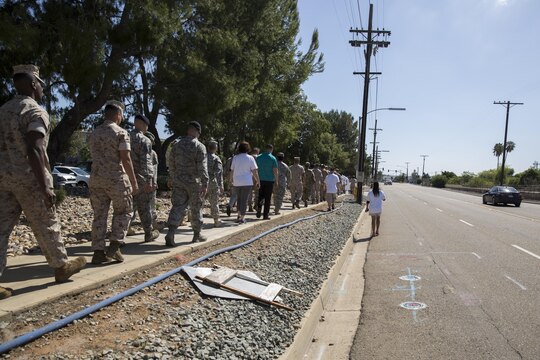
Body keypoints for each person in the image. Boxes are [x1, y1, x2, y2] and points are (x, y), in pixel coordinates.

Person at [0, 65, 86, 297]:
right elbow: (35, 148)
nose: (43, 89)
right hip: (29, 178)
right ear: (32, 84)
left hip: (3, 180)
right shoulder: (34, 111)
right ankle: (60, 267)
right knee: (46, 222)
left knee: (1, 229)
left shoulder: (3, 110)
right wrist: (46, 186)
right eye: (41, 85)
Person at [89, 100, 138, 264]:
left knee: (99, 215)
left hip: (96, 179)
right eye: (122, 115)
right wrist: (133, 181)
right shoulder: (121, 133)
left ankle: (97, 252)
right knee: (124, 211)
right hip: (116, 179)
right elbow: (126, 158)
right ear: (118, 115)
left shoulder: (94, 133)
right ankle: (115, 246)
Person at [165, 121, 208, 246]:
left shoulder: (176, 145)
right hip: (194, 182)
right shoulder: (199, 146)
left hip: (179, 181)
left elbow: (171, 163)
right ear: (197, 131)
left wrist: (173, 177)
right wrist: (205, 183)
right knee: (196, 207)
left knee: (177, 206)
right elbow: (202, 167)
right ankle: (196, 234)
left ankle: (171, 232)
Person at [128, 114, 159, 242]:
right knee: (144, 207)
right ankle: (148, 233)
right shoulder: (144, 140)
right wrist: (149, 181)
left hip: (125, 178)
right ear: (141, 124)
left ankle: (119, 236)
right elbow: (146, 163)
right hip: (140, 179)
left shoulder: (124, 137)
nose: (146, 128)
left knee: (127, 208)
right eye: (146, 125)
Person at [230, 142, 260, 224]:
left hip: (237, 182)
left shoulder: (235, 158)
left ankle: (239, 215)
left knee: (239, 199)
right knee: (244, 200)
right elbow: (254, 171)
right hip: (247, 182)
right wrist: (258, 181)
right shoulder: (250, 158)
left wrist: (230, 180)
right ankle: (242, 218)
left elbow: (232, 170)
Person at [255, 144, 278, 219]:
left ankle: (259, 208)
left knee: (260, 196)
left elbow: (255, 169)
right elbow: (275, 171)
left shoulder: (258, 157)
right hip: (269, 181)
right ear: (271, 149)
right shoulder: (273, 158)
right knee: (268, 198)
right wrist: (276, 181)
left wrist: (256, 180)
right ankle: (265, 215)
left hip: (260, 179)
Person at [206, 140, 224, 228]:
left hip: (202, 181)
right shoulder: (216, 158)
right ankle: (216, 220)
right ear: (216, 148)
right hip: (212, 181)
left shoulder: (202, 157)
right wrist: (221, 185)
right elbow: (218, 173)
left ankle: (192, 217)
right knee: (214, 202)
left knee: (199, 201)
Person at [145, 131, 160, 230]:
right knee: (151, 205)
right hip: (149, 183)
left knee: (134, 205)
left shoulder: (133, 151)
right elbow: (154, 169)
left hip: (137, 182)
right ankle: (152, 226)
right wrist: (154, 182)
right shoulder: (152, 153)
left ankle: (128, 226)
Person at [247, 147, 260, 212]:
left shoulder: (249, 157)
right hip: (256, 175)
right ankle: (256, 205)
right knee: (257, 192)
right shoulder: (259, 157)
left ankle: (250, 206)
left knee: (250, 193)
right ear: (258, 151)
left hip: (249, 176)